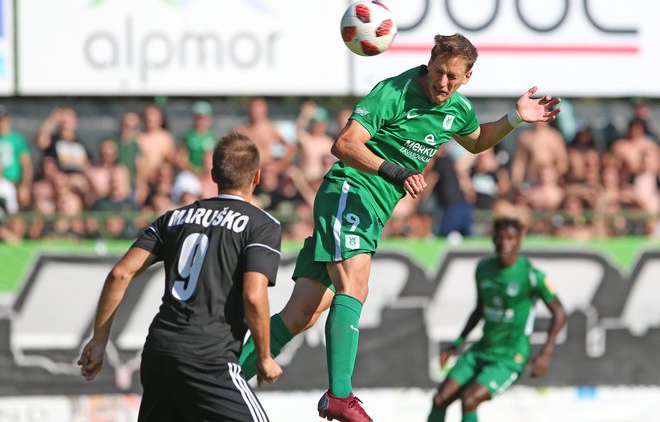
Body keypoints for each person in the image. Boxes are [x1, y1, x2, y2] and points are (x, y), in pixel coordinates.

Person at [239, 33, 561, 422]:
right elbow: (344, 145)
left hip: (373, 210)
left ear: (467, 77)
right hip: (349, 191)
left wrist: (514, 118)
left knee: (303, 314)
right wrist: (394, 170)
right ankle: (340, 396)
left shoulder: (457, 109)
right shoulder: (393, 91)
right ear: (429, 64)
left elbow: (477, 142)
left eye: (453, 77)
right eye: (438, 72)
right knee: (355, 285)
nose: (443, 83)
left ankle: (228, 375)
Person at [78, 132, 283, 421]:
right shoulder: (262, 225)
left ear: (213, 175)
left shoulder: (173, 218)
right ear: (257, 177)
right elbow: (253, 294)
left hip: (159, 352)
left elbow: (120, 274)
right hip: (209, 358)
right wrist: (263, 357)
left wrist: (99, 341)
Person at [426, 217, 566, 422]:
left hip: (509, 358)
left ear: (519, 242)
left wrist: (546, 352)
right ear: (493, 240)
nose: (505, 243)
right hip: (481, 351)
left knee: (469, 399)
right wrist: (457, 343)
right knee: (439, 400)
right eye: (500, 238)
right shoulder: (484, 269)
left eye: (511, 238)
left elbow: (560, 312)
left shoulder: (530, 274)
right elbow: (480, 309)